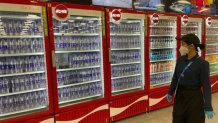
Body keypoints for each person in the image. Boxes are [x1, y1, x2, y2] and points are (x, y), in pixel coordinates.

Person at [166, 33, 215, 123]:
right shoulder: (180, 60)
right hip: (180, 97)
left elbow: (206, 86)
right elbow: (175, 78)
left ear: (191, 46)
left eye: (183, 44)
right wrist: (170, 92)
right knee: (177, 119)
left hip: (194, 98)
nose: (180, 47)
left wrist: (208, 106)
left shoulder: (202, 64)